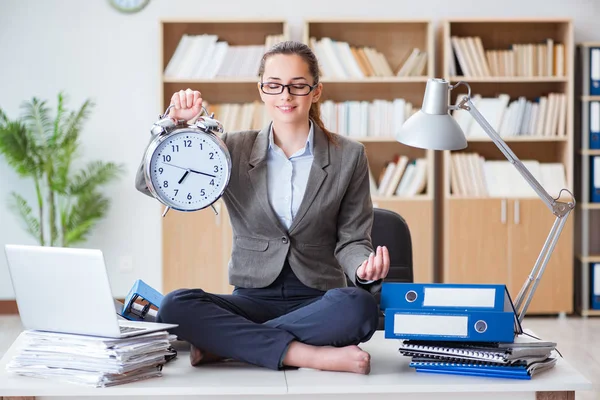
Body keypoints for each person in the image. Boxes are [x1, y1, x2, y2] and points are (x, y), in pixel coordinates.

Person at [135, 40, 390, 375]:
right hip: (250, 299)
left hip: (319, 298)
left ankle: (228, 345)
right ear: (262, 90)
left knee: (360, 307)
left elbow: (352, 241)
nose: (285, 95)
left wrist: (361, 270)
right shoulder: (230, 149)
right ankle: (307, 354)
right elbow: (146, 182)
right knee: (174, 306)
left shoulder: (348, 155)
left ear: (315, 91)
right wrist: (174, 125)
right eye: (274, 85)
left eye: (298, 85)